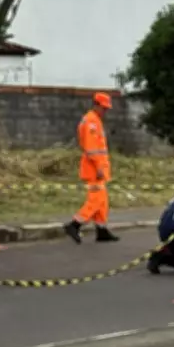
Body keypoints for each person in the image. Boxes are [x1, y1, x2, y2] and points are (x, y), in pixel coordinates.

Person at [64, 92, 120, 244]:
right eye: (104, 108)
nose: (105, 111)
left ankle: (101, 230)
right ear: (96, 105)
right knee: (96, 200)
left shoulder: (94, 120)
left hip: (97, 168)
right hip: (94, 169)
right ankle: (74, 224)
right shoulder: (91, 122)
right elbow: (91, 149)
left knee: (102, 201)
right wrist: (99, 167)